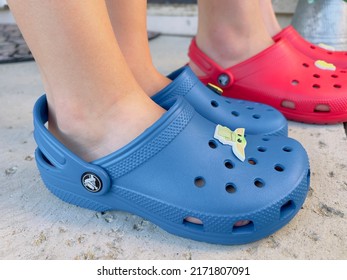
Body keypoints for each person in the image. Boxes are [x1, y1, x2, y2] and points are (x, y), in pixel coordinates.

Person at [6, 0, 312, 245]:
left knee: (125, 62)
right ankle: (92, 114)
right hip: (93, 137)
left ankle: (130, 75)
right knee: (89, 96)